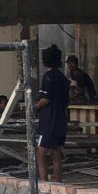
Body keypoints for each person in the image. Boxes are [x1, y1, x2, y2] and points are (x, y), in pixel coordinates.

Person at [36, 44, 69, 183]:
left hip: (49, 120)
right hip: (61, 119)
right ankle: (58, 182)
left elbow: (45, 99)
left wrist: (33, 107)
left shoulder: (48, 77)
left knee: (41, 153)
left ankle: (43, 183)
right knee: (55, 152)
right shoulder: (63, 78)